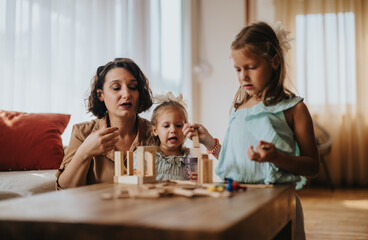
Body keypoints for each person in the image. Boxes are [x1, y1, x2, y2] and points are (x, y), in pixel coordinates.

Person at [183, 22, 319, 239]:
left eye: (251, 67)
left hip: (279, 205)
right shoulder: (238, 108)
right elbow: (236, 161)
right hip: (238, 205)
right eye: (238, 69)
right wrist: (209, 141)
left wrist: (277, 157)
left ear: (274, 62)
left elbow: (312, 167)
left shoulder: (295, 109)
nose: (243, 76)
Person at [56, 58, 153, 189]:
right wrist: (85, 152)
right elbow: (64, 189)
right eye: (116, 88)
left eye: (133, 87)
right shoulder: (82, 133)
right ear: (100, 94)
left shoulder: (155, 132)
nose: (126, 94)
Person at [142, 92, 196, 181]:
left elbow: (196, 182)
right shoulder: (146, 156)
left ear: (186, 128)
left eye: (178, 125)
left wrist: (197, 179)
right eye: (166, 126)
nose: (173, 130)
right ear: (155, 130)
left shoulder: (191, 157)